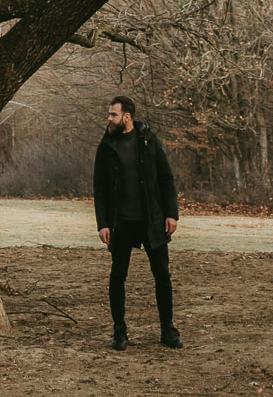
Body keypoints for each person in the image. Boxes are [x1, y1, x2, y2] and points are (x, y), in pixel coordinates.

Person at [93, 93, 181, 352]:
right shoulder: (106, 146)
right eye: (109, 114)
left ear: (127, 117)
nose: (109, 118)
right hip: (121, 223)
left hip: (152, 221)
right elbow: (99, 188)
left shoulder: (149, 141)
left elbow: (166, 179)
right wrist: (103, 223)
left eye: (113, 114)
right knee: (118, 276)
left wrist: (171, 214)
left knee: (162, 275)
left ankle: (168, 329)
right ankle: (119, 331)